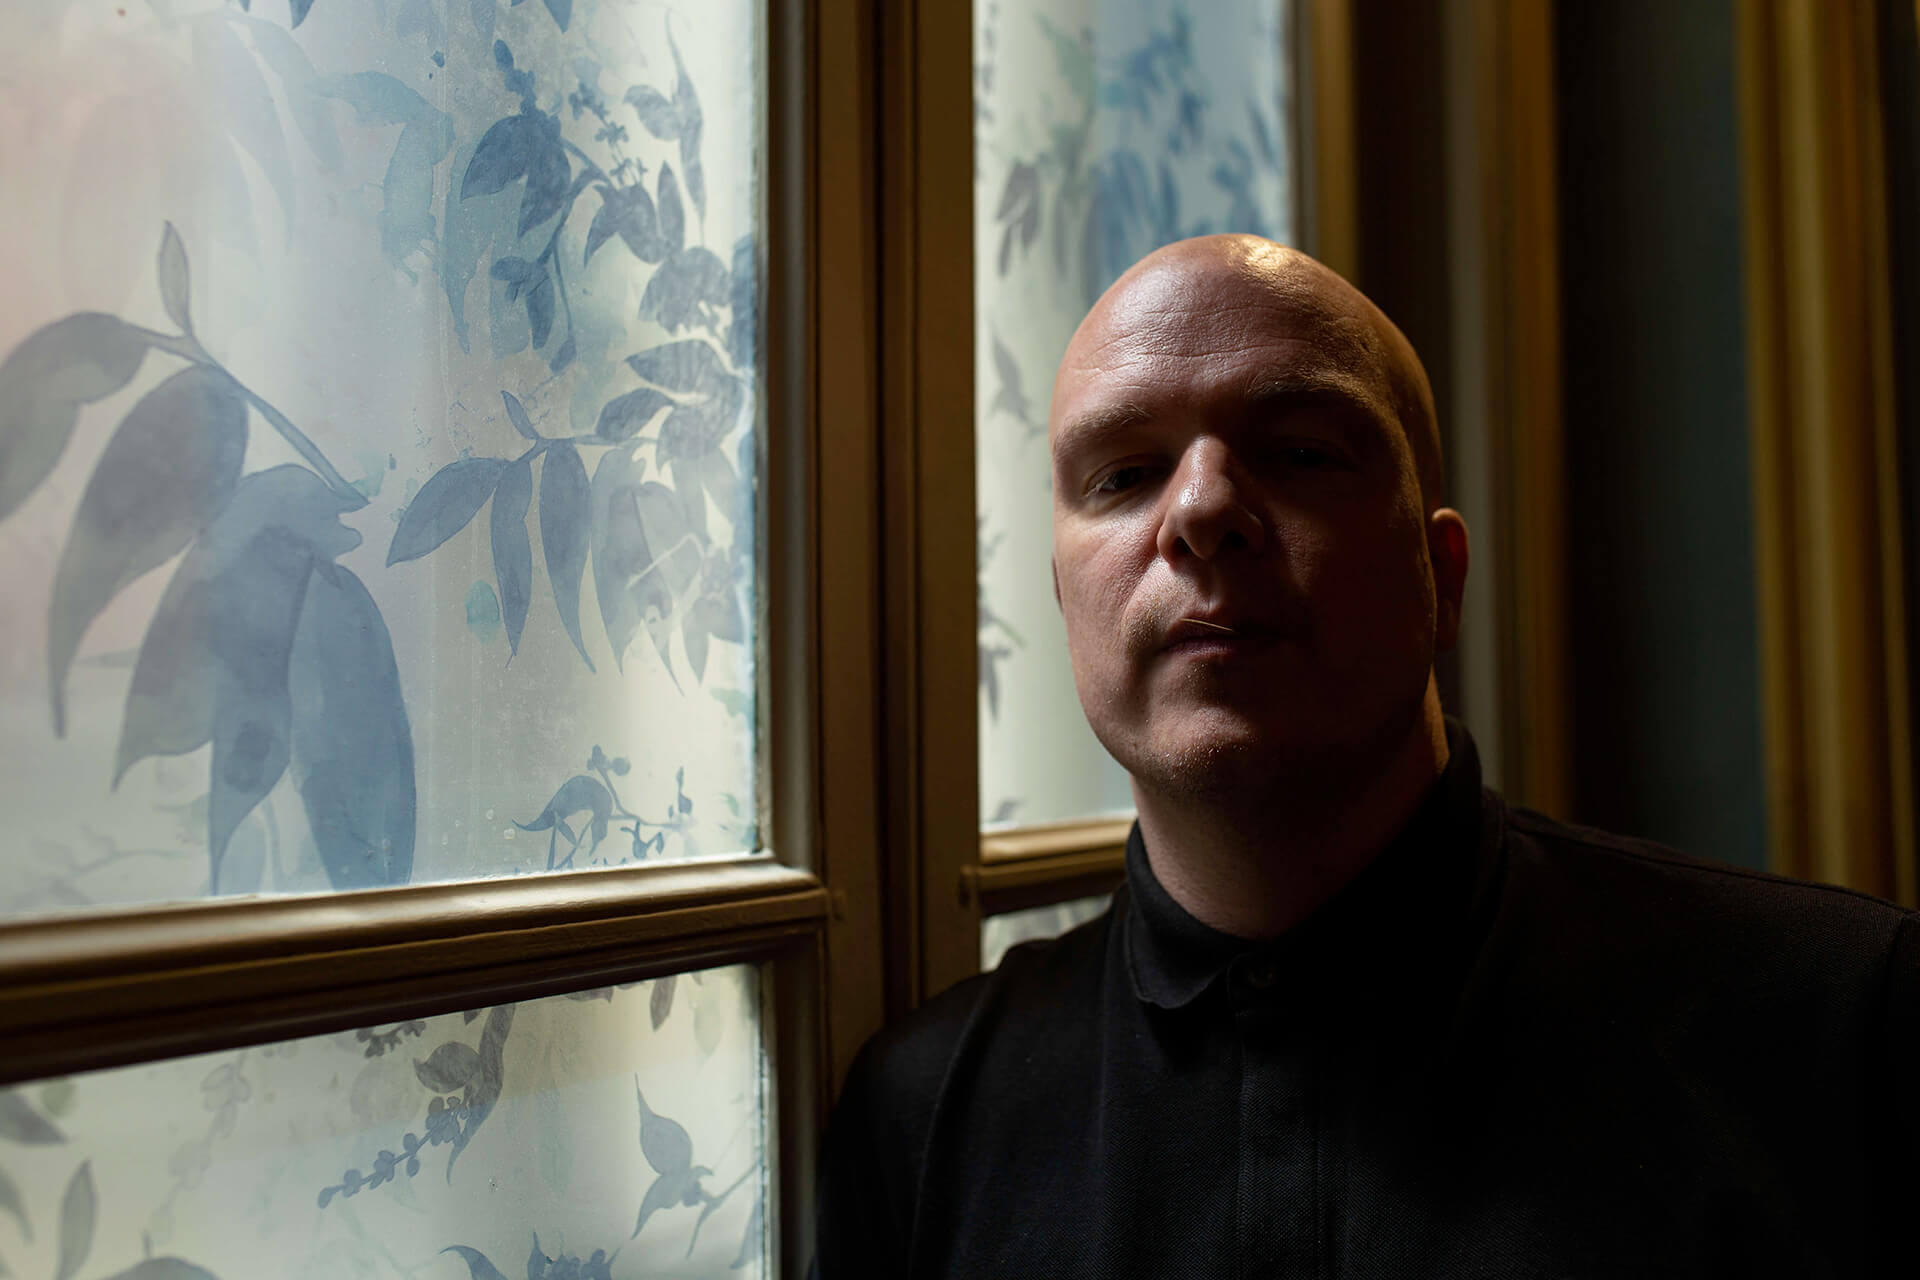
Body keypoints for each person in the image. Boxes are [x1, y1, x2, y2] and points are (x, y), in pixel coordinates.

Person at [810, 236, 1918, 1276]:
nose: (1201, 508)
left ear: (1444, 577)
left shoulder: (1840, 1029)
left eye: (1299, 453)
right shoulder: (924, 1117)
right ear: (1065, 602)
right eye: (1125, 473)